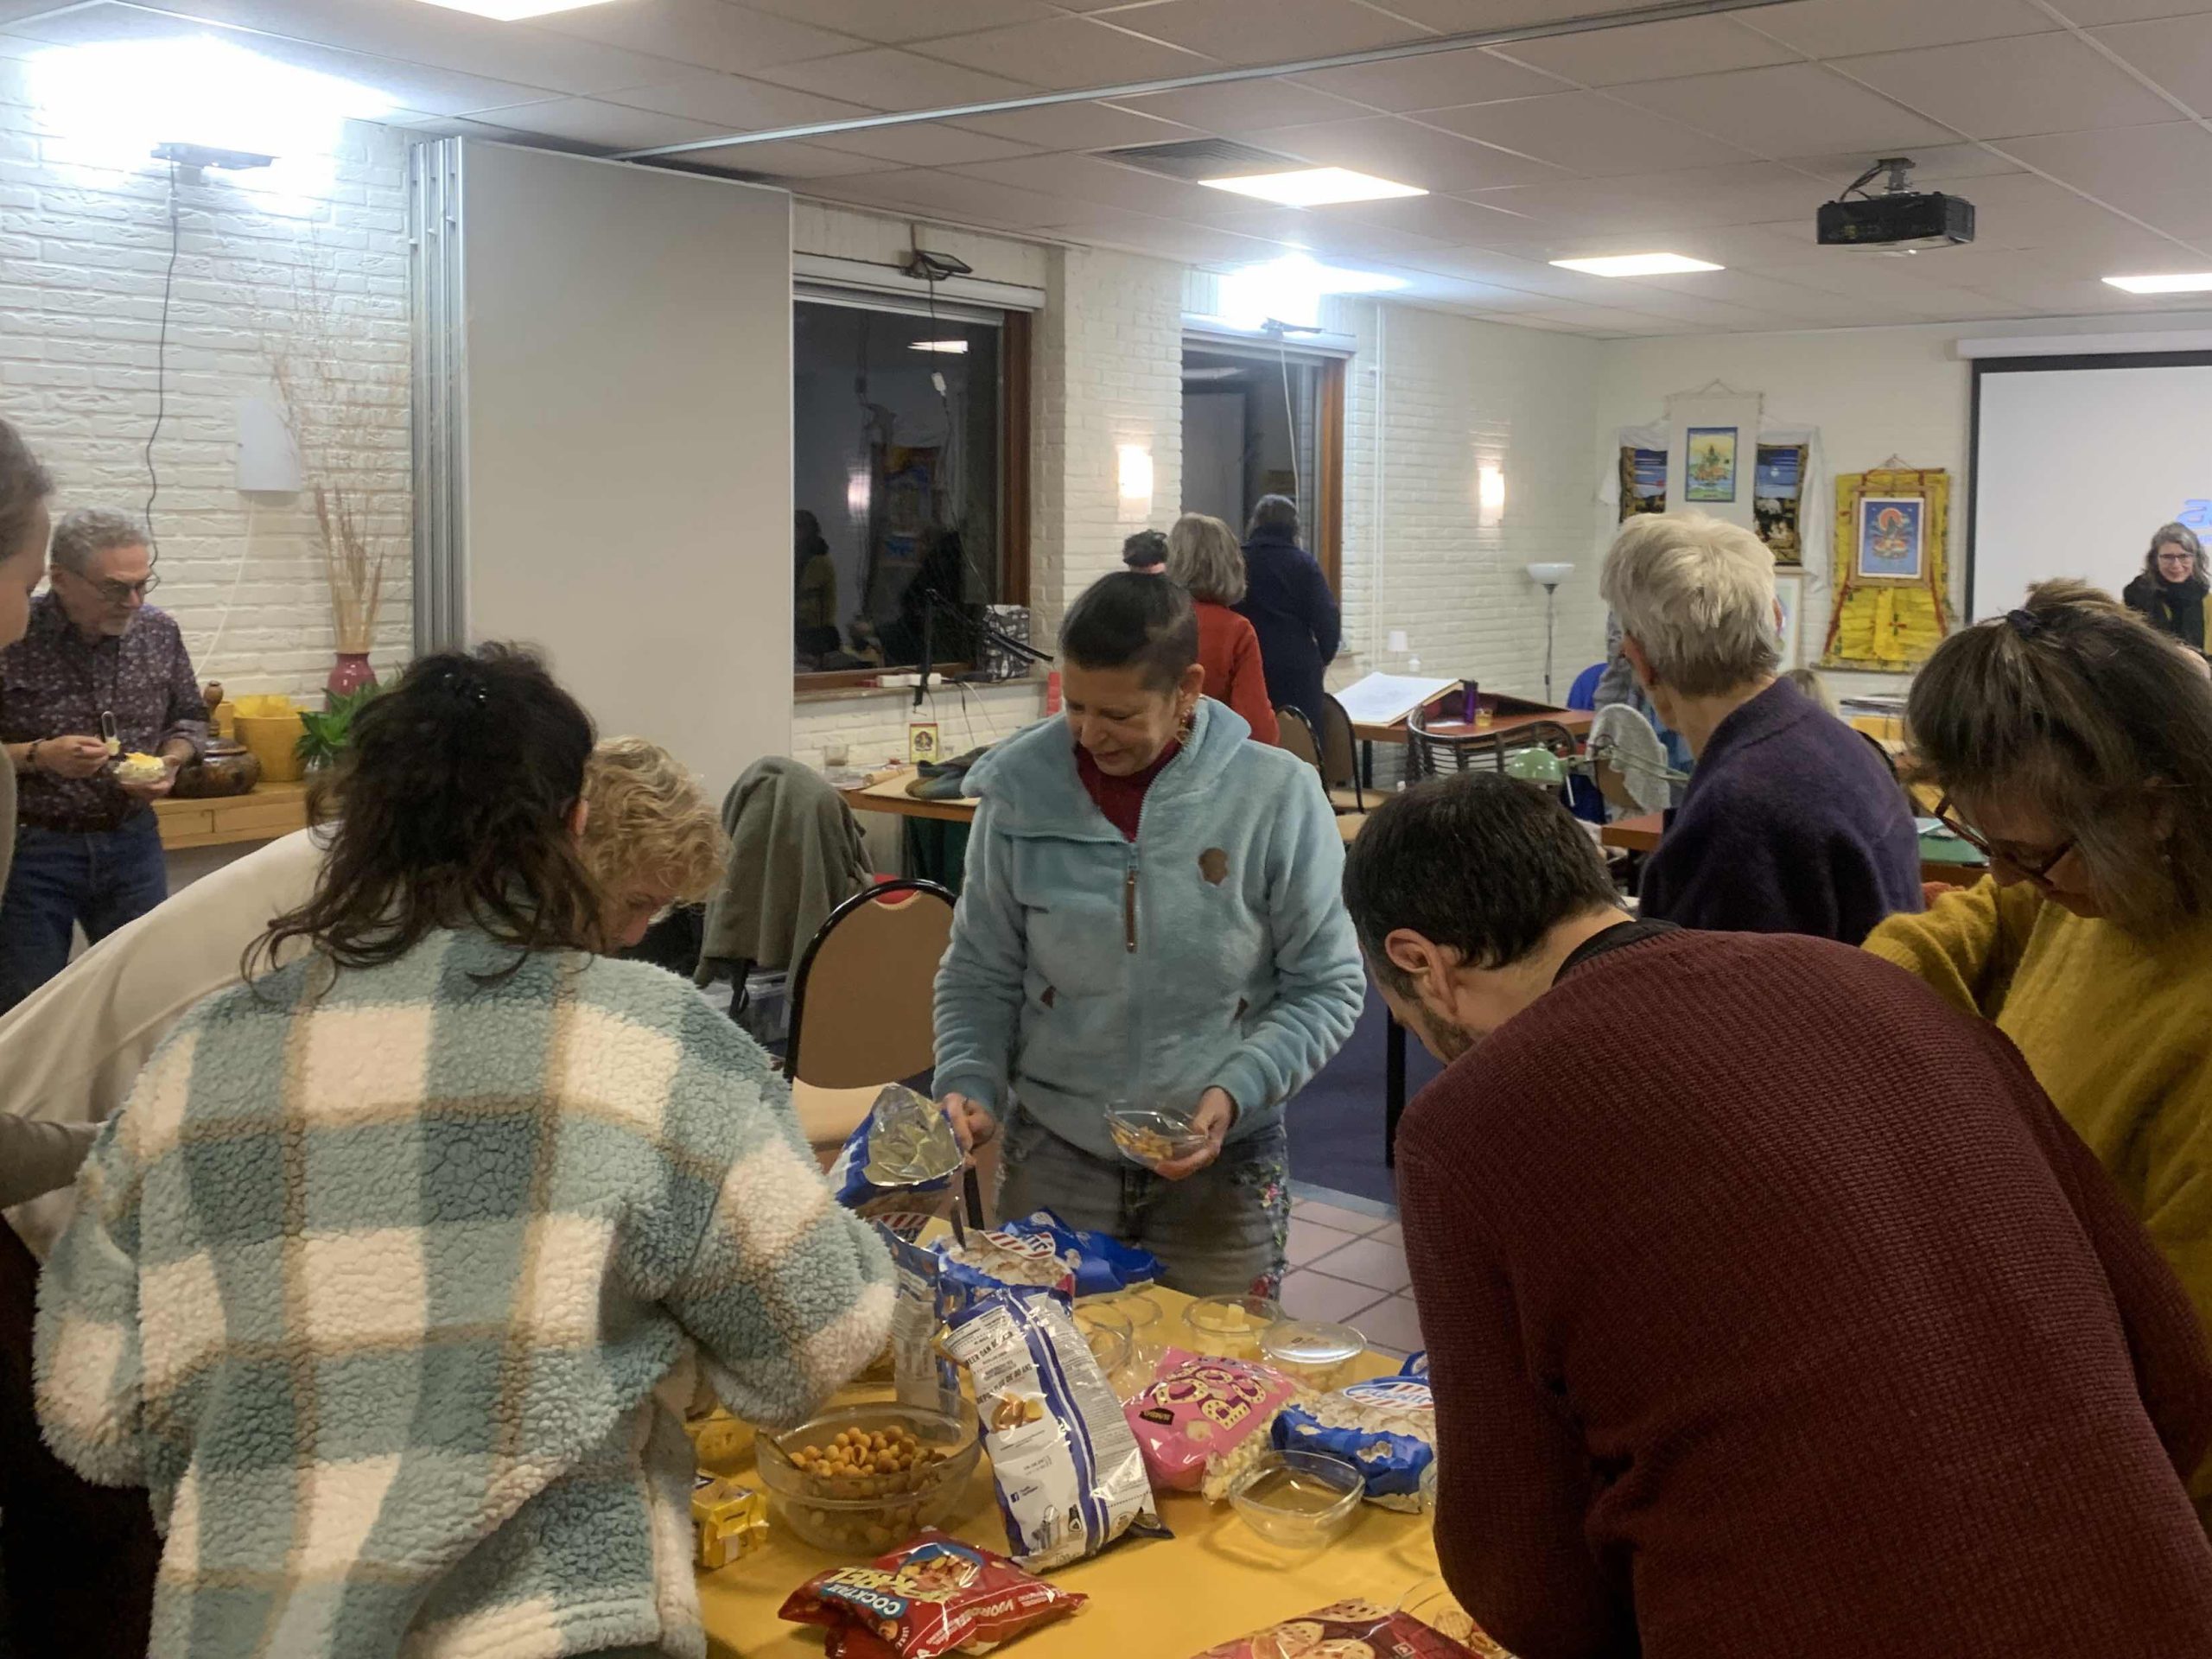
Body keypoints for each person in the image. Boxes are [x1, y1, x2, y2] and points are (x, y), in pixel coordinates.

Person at [34, 646, 890, 1659]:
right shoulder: (648, 1039)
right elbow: (818, 1342)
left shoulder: (202, 1056)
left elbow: (96, 1415)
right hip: (554, 1626)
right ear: (574, 826)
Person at [1347, 772, 2212, 1659]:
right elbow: (2175, 1372)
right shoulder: (1883, 986)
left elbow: (1524, 1581)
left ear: (1422, 962)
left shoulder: (1468, 1124)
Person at [1865, 588, 2212, 1520]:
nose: (2006, 875)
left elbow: (2186, 1409)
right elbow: (1996, 910)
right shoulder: (2098, 884)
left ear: (2156, 811)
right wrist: (1864, 991)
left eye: (2025, 851)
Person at [932, 573, 1363, 1296]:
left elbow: (1327, 986)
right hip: (1057, 1150)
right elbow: (980, 972)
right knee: (1044, 1388)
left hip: (1223, 1164)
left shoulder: (1276, 796)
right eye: (1075, 707)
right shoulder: (1017, 796)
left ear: (1189, 689)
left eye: (1121, 715)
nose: (1091, 735)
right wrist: (969, 1079)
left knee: (1219, 1387)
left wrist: (1236, 1089)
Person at [1602, 512, 1919, 943]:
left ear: (1639, 660)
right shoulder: (1844, 744)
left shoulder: (1737, 813)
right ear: (1775, 619)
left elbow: (1699, 1001)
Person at [0, 506, 206, 1014]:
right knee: (29, 1003)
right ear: (61, 580)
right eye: (116, 588)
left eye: (143, 584)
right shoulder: (11, 634)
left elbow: (190, 718)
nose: (133, 602)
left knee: (150, 993)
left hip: (131, 840)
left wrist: (171, 762)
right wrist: (38, 756)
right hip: (34, 846)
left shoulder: (158, 632)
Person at [1166, 512, 1279, 746]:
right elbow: (1257, 730)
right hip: (1209, 760)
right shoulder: (1236, 631)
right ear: (1233, 564)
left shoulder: (1149, 619)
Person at [1236, 493, 1339, 727]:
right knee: (1303, 744)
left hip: (1248, 662)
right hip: (1296, 667)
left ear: (1255, 523)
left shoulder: (1238, 560)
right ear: (1294, 527)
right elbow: (1327, 619)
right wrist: (1321, 657)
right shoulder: (1304, 564)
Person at [2123, 521, 2207, 652]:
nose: (2176, 565)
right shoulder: (2133, 597)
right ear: (2155, 560)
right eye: (2168, 557)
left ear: (2196, 559)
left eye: (2184, 556)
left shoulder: (2208, 602)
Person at [794, 507, 841, 661]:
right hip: (805, 630)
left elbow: (806, 597)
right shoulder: (800, 556)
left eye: (797, 528)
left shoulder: (818, 560)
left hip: (814, 632)